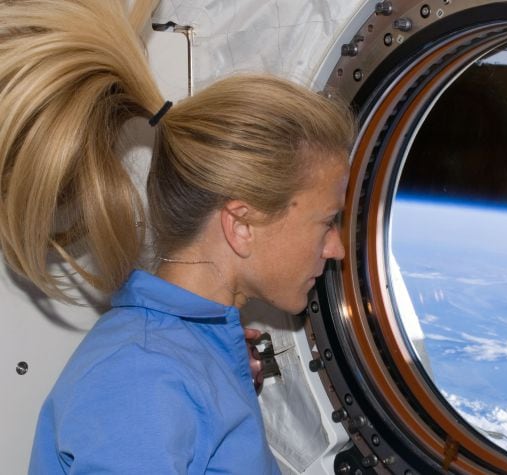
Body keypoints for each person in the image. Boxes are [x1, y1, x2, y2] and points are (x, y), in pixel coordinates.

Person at [0, 0, 355, 472]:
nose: (337, 248)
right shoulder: (144, 380)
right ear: (241, 225)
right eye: (327, 221)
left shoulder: (185, 354)